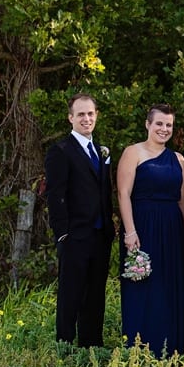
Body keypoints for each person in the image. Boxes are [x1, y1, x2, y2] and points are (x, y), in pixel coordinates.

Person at [116, 104, 184, 356]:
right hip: (142, 227)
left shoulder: (179, 159)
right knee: (143, 286)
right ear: (148, 124)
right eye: (159, 123)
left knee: (170, 287)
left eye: (168, 125)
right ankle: (141, 349)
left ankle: (172, 347)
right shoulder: (133, 152)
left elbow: (182, 200)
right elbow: (123, 194)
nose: (164, 129)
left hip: (171, 228)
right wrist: (130, 231)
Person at [44, 92, 114, 347]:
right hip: (74, 235)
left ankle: (92, 345)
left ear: (96, 116)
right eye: (81, 114)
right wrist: (62, 234)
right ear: (70, 118)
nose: (86, 118)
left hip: (100, 235)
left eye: (90, 113)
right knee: (70, 293)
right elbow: (55, 194)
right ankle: (64, 344)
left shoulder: (101, 151)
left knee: (95, 293)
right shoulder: (60, 151)